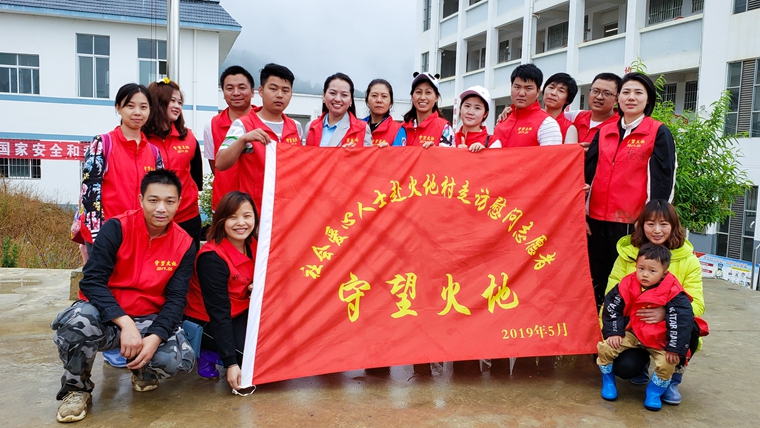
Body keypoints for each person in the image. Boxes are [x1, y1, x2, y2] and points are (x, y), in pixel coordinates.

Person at [52, 170, 195, 423]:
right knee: (76, 322)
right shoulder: (117, 228)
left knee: (175, 359)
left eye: (169, 201)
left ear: (179, 203)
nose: (161, 208)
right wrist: (125, 323)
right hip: (107, 317)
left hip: (149, 318)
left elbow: (176, 299)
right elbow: (92, 281)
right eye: (153, 200)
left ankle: (143, 370)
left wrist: (155, 337)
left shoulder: (184, 243)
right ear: (141, 199)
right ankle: (76, 389)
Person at [585, 72, 677, 307]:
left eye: (638, 93)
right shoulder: (604, 131)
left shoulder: (658, 132)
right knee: (597, 278)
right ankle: (599, 322)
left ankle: (624, 324)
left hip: (631, 222)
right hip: (595, 220)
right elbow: (587, 175)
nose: (631, 97)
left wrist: (651, 222)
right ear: (618, 98)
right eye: (626, 92)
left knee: (627, 281)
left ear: (648, 99)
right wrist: (580, 213)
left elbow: (663, 180)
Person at [605, 199, 705, 405]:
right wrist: (610, 332)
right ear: (641, 225)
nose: (657, 230)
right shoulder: (627, 256)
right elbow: (611, 298)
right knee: (625, 368)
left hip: (667, 331)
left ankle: (672, 379)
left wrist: (665, 312)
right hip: (634, 327)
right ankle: (640, 366)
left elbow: (698, 304)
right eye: (650, 224)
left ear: (673, 226)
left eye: (664, 224)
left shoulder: (689, 260)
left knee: (691, 328)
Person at [597, 244, 694, 411]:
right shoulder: (627, 283)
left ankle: (654, 392)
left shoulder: (674, 291)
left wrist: (674, 348)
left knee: (668, 362)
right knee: (606, 347)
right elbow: (612, 307)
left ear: (664, 272)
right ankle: (608, 381)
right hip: (633, 332)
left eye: (652, 270)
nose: (645, 274)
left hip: (659, 337)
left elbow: (681, 321)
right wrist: (614, 332)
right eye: (641, 268)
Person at [184, 191, 259, 391]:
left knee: (279, 348)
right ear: (221, 220)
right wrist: (231, 364)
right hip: (207, 320)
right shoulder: (211, 259)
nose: (241, 223)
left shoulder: (254, 244)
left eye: (247, 216)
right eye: (232, 217)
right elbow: (219, 312)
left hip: (242, 309)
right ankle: (209, 352)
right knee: (256, 363)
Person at [78, 83, 163, 248]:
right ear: (118, 107)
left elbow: (159, 195)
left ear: (150, 110)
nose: (137, 112)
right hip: (106, 236)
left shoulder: (154, 152)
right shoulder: (102, 143)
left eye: (143, 107)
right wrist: (99, 237)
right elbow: (90, 193)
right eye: (130, 106)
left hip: (140, 236)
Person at [215, 63, 303, 213]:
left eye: (285, 90)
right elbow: (220, 163)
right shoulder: (242, 125)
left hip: (286, 210)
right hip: (255, 212)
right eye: (273, 89)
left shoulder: (296, 127)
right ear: (261, 91)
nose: (279, 95)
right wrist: (243, 140)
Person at [144, 78, 203, 250]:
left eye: (180, 102)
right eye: (172, 101)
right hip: (152, 218)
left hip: (187, 217)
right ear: (157, 102)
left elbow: (196, 177)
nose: (177, 106)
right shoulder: (141, 138)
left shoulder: (189, 137)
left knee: (188, 264)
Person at [203, 66, 255, 211]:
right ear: (223, 93)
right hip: (224, 203)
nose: (236, 93)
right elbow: (215, 166)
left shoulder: (264, 121)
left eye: (242, 87)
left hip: (258, 203)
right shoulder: (211, 125)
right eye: (230, 88)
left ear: (252, 92)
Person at [492, 64, 562, 147]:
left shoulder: (547, 124)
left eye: (528, 88)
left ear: (538, 91)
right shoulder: (502, 119)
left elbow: (552, 155)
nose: (521, 93)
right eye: (517, 87)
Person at [304, 73, 372, 147]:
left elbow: (367, 154)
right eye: (332, 93)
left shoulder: (363, 129)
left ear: (351, 100)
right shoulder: (310, 127)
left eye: (344, 95)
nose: (337, 99)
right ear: (324, 96)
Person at [403, 72, 454, 148]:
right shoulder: (402, 128)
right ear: (412, 96)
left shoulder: (444, 128)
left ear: (436, 97)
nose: (423, 97)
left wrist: (434, 151)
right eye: (418, 92)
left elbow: (448, 155)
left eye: (428, 92)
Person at [454, 85, 501, 152]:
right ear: (460, 108)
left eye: (477, 108)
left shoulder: (493, 142)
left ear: (485, 114)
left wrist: (484, 153)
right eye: (467, 106)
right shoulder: (450, 139)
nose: (470, 112)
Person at [362, 79, 406, 147]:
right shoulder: (357, 127)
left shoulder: (398, 130)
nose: (379, 100)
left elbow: (400, 153)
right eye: (374, 95)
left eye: (384, 96)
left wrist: (388, 151)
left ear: (391, 102)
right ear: (367, 100)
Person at [542, 72, 578, 144]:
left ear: (568, 100)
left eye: (561, 91)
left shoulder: (569, 129)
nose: (553, 93)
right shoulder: (530, 118)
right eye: (551, 87)